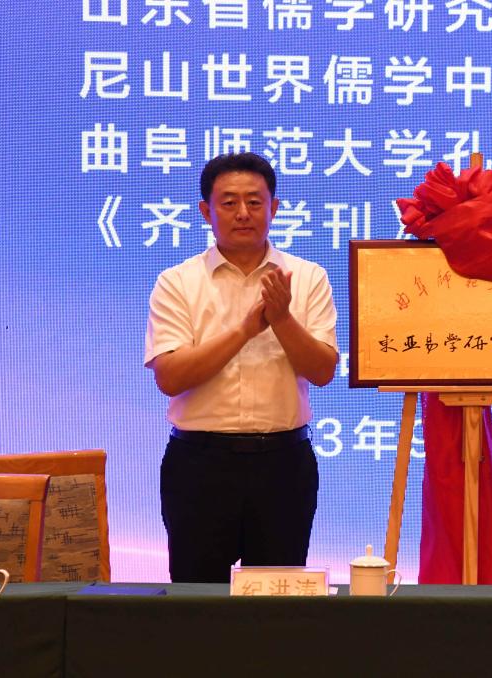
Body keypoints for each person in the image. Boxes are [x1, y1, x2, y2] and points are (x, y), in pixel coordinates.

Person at [144, 152, 338, 583]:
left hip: (283, 464)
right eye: (229, 202)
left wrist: (282, 320)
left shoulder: (308, 277)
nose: (243, 213)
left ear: (274, 207)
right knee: (196, 598)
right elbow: (170, 377)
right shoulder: (178, 282)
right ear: (206, 211)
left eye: (254, 201)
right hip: (199, 464)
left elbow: (323, 371)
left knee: (277, 600)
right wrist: (246, 330)